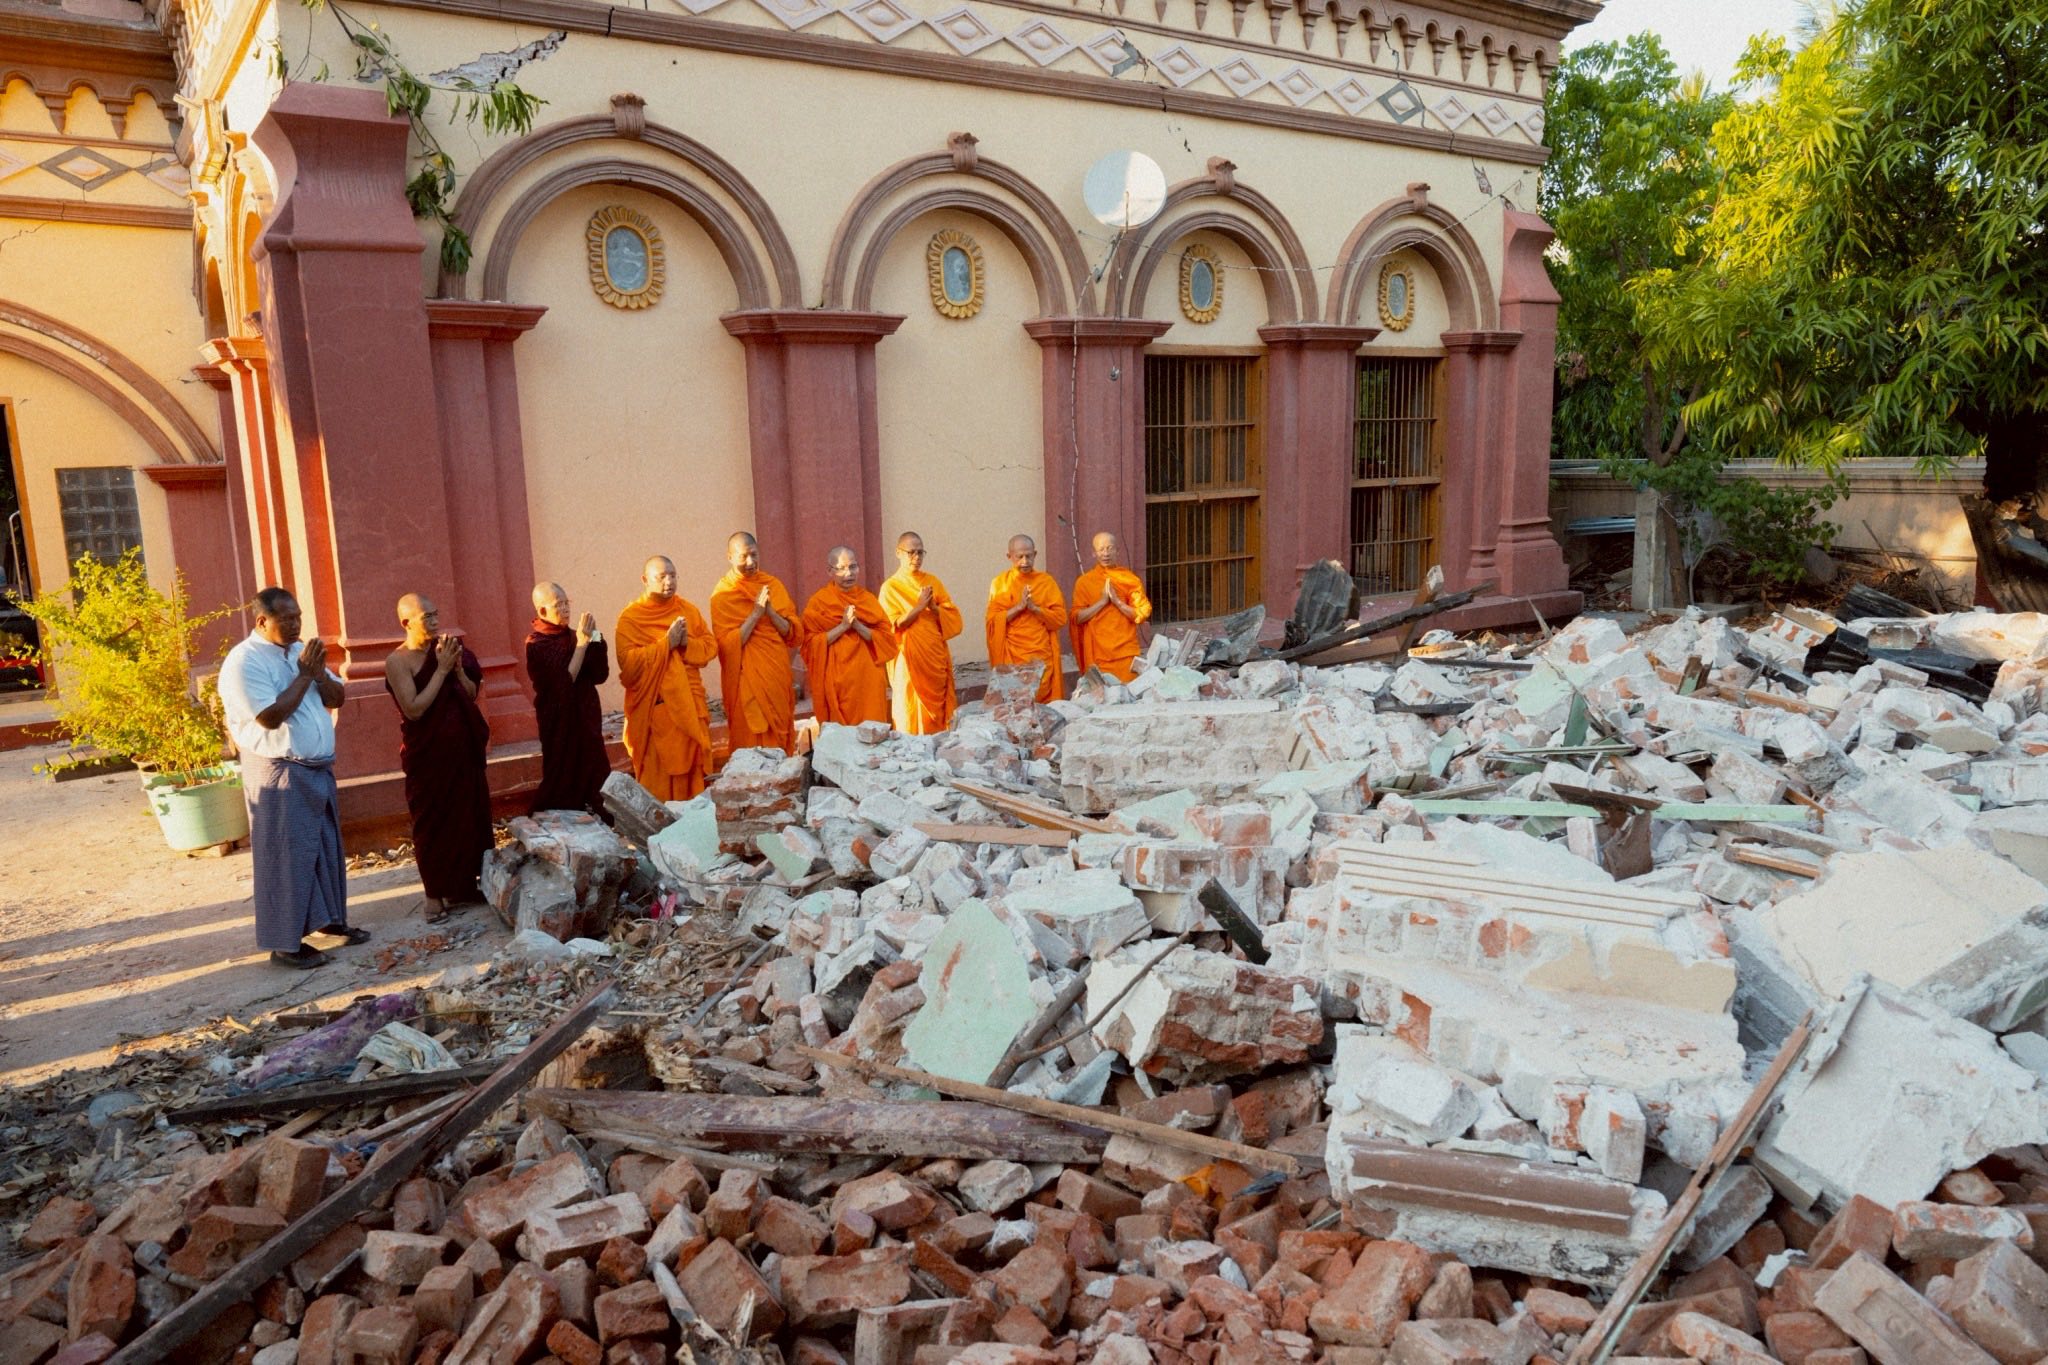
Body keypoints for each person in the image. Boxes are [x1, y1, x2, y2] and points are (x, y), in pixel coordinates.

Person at [218, 587, 362, 969]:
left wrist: (319, 676)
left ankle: (329, 921)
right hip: (279, 770)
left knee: (323, 849)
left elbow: (336, 698)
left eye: (298, 616)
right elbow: (269, 716)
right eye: (287, 619)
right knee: (286, 857)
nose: (296, 624)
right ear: (262, 621)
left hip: (316, 768)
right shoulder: (244, 661)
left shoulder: (300, 652)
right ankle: (284, 944)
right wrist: (304, 676)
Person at [382, 593, 492, 922]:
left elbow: (470, 694)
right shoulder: (398, 661)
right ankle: (433, 896)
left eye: (436, 614)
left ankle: (463, 886)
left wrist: (457, 670)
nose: (434, 621)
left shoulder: (446, 649)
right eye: (426, 617)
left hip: (463, 752)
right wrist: (442, 671)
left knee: (469, 817)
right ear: (406, 622)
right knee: (432, 824)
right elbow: (414, 709)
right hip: (428, 758)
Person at [616, 556, 718, 799]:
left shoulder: (688, 610)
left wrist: (685, 644)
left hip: (690, 706)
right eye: (661, 577)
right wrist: (665, 645)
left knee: (694, 772)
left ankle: (694, 816)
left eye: (672, 575)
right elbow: (628, 667)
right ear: (645, 580)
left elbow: (710, 646)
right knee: (658, 776)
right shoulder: (631, 618)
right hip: (657, 709)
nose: (669, 582)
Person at [710, 532, 805, 753]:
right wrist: (755, 614)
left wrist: (770, 611)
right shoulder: (723, 595)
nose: (750, 562)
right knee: (750, 744)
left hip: (775, 673)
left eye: (754, 555)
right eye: (743, 556)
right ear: (730, 557)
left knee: (779, 741)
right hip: (746, 680)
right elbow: (726, 647)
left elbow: (792, 634)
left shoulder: (772, 585)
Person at [525, 581, 611, 815]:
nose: (565, 609)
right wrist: (582, 645)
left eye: (566, 603)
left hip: (586, 717)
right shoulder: (536, 644)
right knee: (563, 773)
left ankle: (602, 814)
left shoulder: (574, 635)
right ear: (543, 610)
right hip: (559, 721)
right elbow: (563, 683)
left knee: (596, 767)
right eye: (558, 605)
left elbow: (600, 675)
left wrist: (595, 637)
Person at [800, 546, 897, 726]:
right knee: (843, 736)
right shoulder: (819, 602)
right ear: (830, 571)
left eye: (853, 567)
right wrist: (843, 626)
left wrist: (857, 625)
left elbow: (887, 641)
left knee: (871, 730)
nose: (849, 574)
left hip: (868, 680)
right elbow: (809, 646)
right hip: (838, 682)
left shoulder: (868, 600)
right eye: (841, 568)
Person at [880, 531, 963, 735]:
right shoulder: (890, 587)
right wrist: (918, 607)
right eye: (911, 552)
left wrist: (933, 608)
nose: (916, 557)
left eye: (920, 552)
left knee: (940, 715)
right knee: (909, 709)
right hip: (909, 658)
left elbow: (953, 618)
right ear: (898, 553)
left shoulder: (932, 581)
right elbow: (891, 625)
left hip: (934, 655)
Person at [985, 533, 1070, 702]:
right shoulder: (1000, 583)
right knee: (1015, 698)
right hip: (1012, 655)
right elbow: (993, 621)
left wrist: (1035, 609)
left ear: (1035, 554)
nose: (1025, 561)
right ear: (1009, 556)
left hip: (1040, 651)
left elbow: (1060, 618)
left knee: (1041, 695)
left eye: (1029, 556)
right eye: (1020, 557)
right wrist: (1018, 608)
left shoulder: (1046, 582)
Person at [1070, 531, 1154, 683]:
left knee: (1128, 691)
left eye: (1109, 548)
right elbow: (1077, 618)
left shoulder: (1129, 579)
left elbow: (1141, 614)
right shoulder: (1084, 582)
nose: (1106, 553)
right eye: (1101, 549)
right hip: (1097, 653)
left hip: (1125, 651)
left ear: (1117, 550)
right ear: (1094, 553)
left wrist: (1117, 602)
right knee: (1102, 693)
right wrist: (1102, 602)